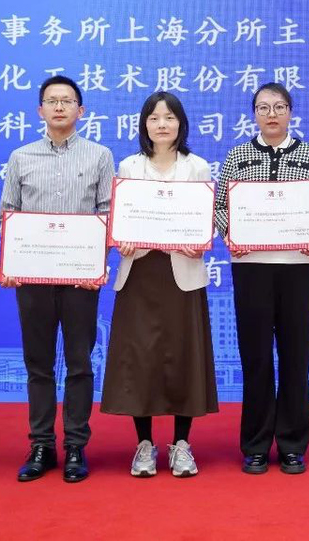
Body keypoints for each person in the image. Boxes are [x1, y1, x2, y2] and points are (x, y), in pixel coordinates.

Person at [0, 75, 115, 483]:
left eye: (67, 101)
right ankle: (41, 445)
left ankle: (76, 446)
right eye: (52, 101)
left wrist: (95, 266)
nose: (60, 107)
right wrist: (11, 264)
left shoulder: (100, 156)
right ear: (40, 110)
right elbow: (9, 212)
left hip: (81, 279)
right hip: (33, 278)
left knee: (80, 363)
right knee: (39, 364)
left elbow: (107, 215)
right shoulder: (21, 157)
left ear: (81, 111)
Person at [214, 83, 309, 475]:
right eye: (263, 107)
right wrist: (231, 233)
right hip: (251, 266)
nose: (271, 114)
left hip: (299, 266)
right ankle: (255, 445)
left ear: (290, 113)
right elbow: (219, 206)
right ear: (253, 114)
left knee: (296, 356)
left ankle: (293, 444)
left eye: (279, 107)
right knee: (256, 357)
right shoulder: (237, 156)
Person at [101, 92, 219, 478]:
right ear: (144, 125)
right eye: (154, 118)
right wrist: (121, 239)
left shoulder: (197, 167)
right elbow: (119, 218)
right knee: (141, 359)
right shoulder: (129, 166)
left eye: (169, 117)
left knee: (184, 356)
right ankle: (144, 445)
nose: (162, 124)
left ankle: (182, 444)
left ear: (181, 123)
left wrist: (201, 240)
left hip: (182, 273)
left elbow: (207, 220)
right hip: (140, 272)